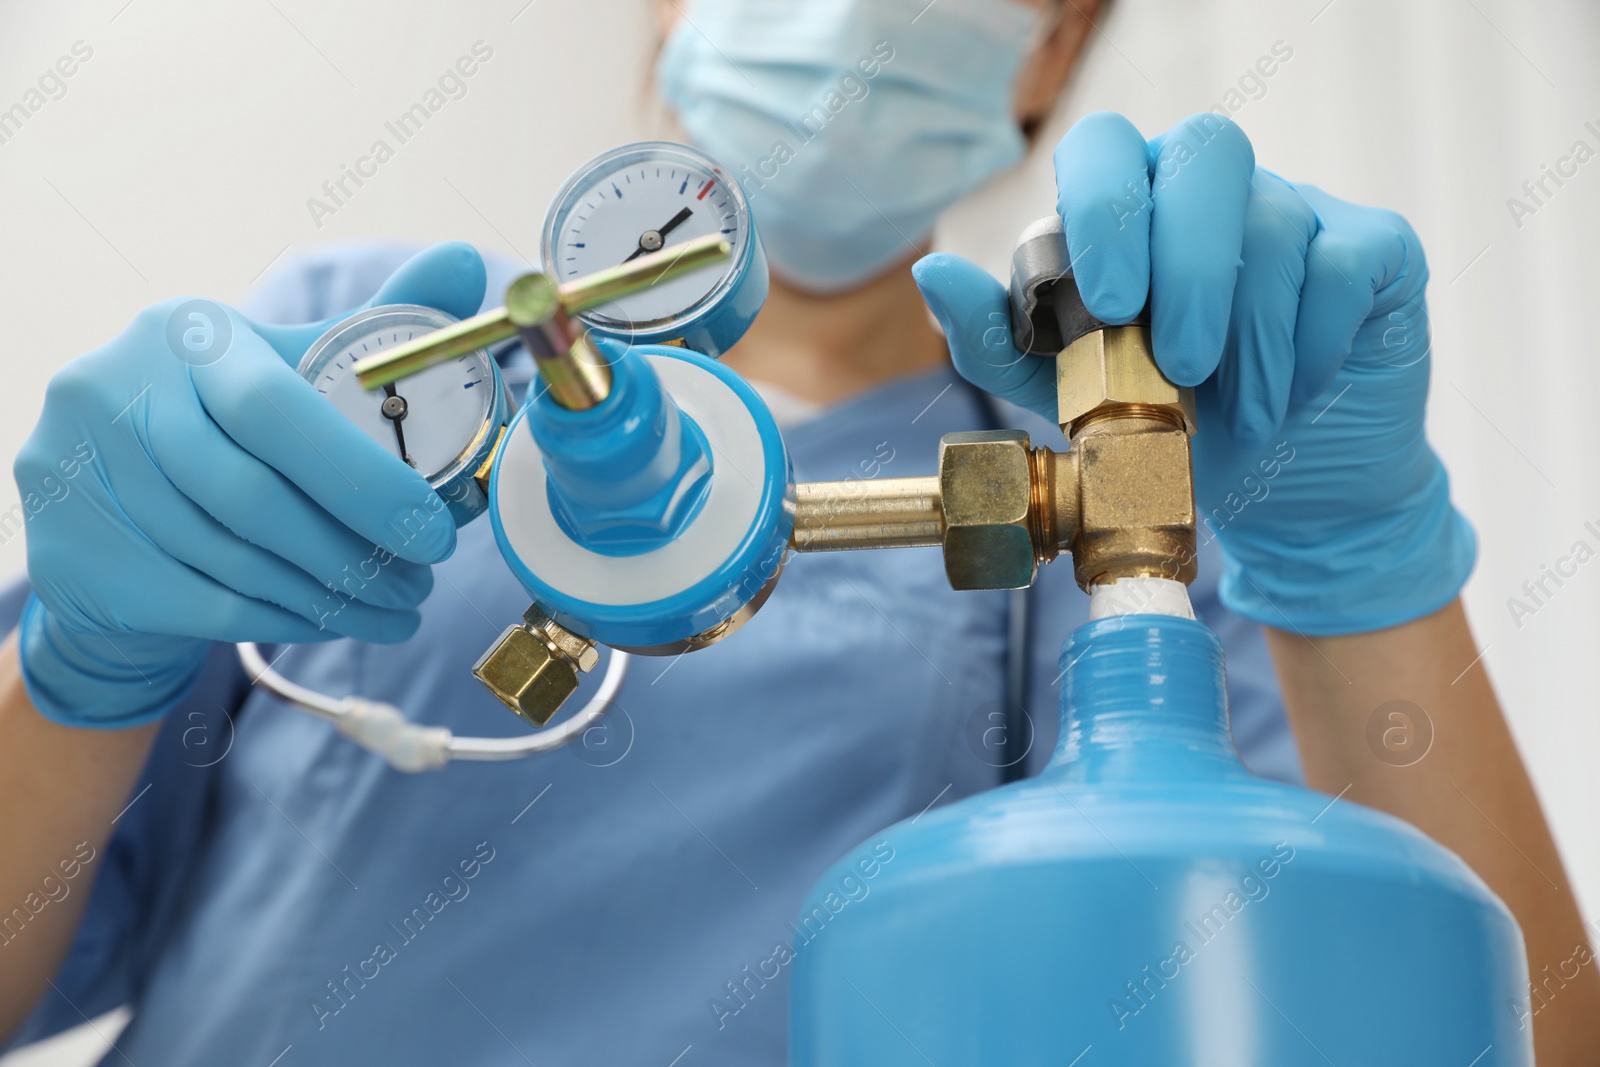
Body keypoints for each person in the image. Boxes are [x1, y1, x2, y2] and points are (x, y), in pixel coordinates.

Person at [0, 0, 1594, 1062]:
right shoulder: (367, 368)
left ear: (1050, 51)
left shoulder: (1149, 498)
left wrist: (1361, 568)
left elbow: (1489, 1019)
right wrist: (86, 666)